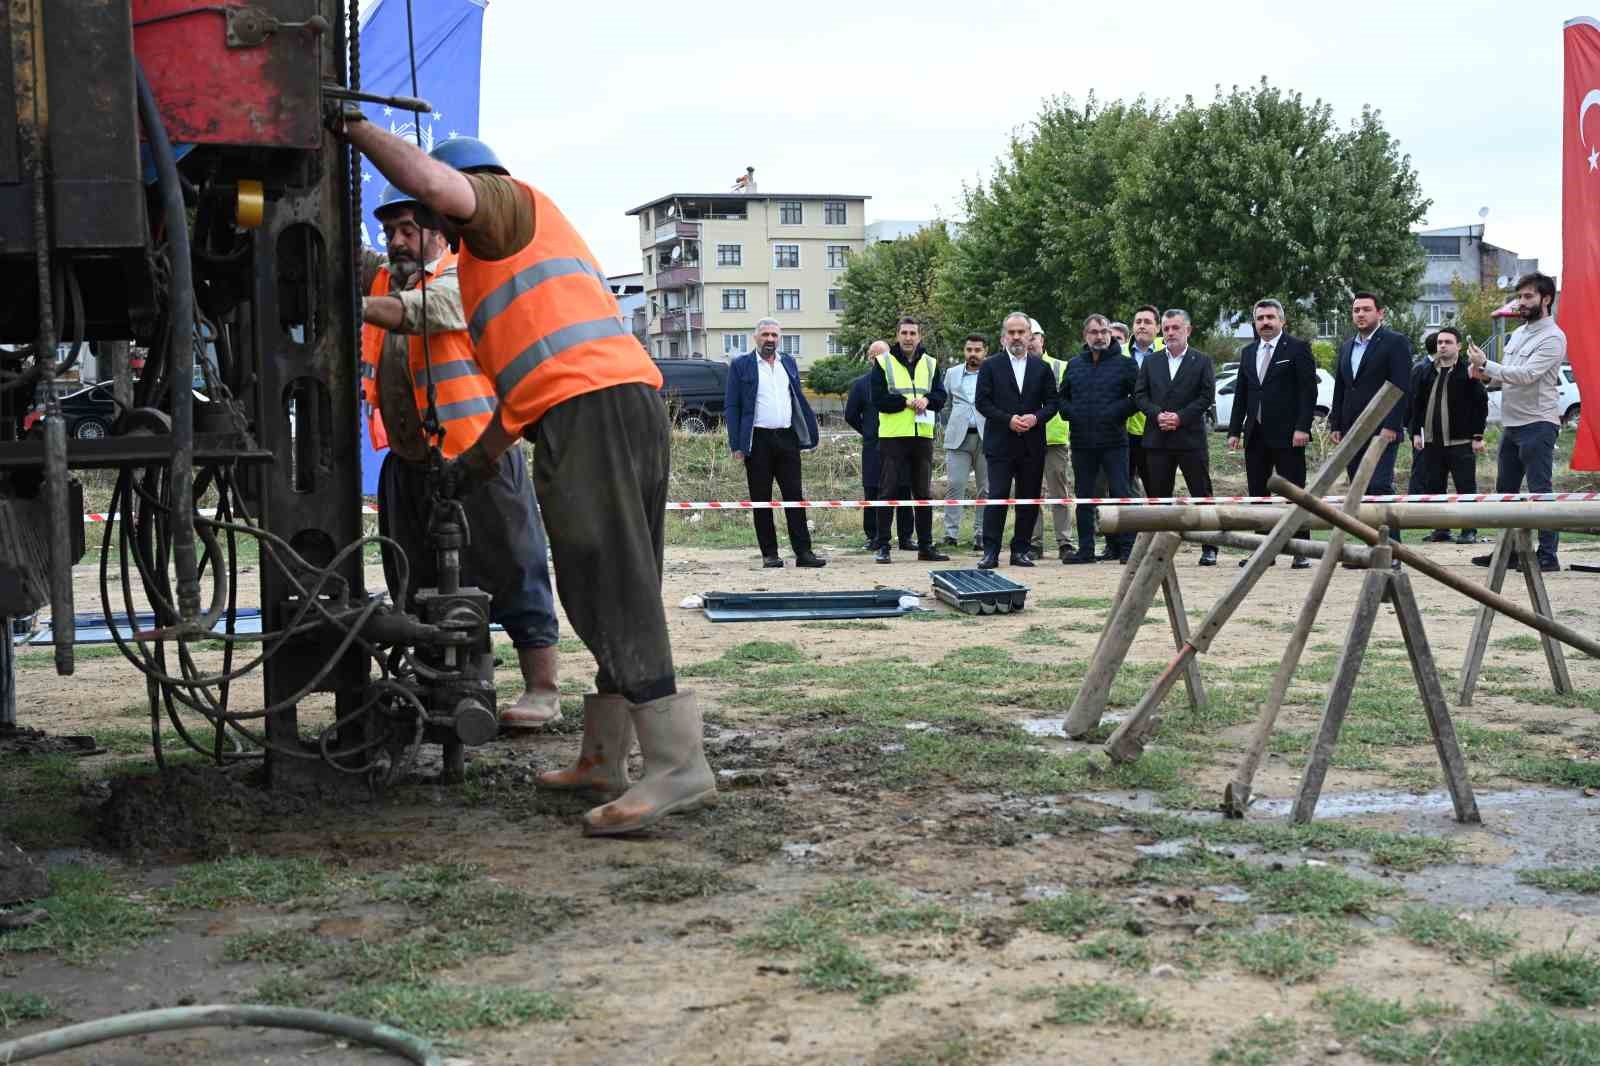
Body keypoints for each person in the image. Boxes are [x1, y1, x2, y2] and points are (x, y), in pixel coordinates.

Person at [331, 118, 715, 836]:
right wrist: (471, 464)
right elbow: (517, 388)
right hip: (592, 407)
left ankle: (677, 763)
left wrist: (349, 124)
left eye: (433, 212)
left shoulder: (506, 208)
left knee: (611, 581)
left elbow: (429, 180)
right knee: (601, 582)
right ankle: (605, 756)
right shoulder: (489, 268)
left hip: (592, 408)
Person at [359, 184, 562, 727]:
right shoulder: (385, 277)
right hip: (410, 462)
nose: (397, 241)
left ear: (438, 233)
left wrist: (348, 304)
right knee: (416, 581)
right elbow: (348, 258)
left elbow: (419, 313)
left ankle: (543, 688)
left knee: (516, 570)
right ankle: (440, 683)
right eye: (390, 232)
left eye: (409, 230)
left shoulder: (459, 279)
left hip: (480, 459)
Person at [1469, 272, 1567, 572]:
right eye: (1520, 297)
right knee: (1506, 492)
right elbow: (1508, 374)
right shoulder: (1519, 334)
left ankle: (1548, 555)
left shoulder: (1553, 337)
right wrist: (1483, 373)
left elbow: (1526, 375)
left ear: (1546, 299)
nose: (1521, 303)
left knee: (1540, 490)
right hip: (1512, 424)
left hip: (1538, 423)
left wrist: (1487, 364)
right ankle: (1507, 552)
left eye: (1528, 297)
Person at [725, 318, 825, 568]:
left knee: (794, 496)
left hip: (787, 438)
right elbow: (732, 405)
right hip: (757, 440)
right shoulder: (741, 366)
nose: (770, 339)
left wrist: (808, 434)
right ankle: (770, 554)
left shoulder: (788, 363)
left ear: (779, 339)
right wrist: (737, 444)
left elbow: (798, 401)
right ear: (755, 338)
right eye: (765, 335)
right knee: (761, 499)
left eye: (774, 335)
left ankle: (804, 553)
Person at [1227, 298, 1318, 569]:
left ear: (1282, 321)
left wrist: (1303, 427)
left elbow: (1308, 391)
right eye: (1260, 318)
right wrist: (1234, 430)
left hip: (1289, 435)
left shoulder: (1298, 349)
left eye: (1270, 317)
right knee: (1258, 494)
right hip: (1255, 435)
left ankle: (1302, 550)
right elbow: (1241, 395)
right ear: (1254, 323)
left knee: (1295, 493)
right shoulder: (1248, 352)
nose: (1265, 322)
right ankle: (1263, 550)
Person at [975, 312, 1058, 569]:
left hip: (1032, 444)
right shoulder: (990, 365)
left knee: (1028, 498)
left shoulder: (1041, 367)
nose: (1017, 337)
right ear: (1003, 337)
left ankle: (1021, 550)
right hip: (1000, 443)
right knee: (997, 496)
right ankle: (990, 551)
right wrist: (1008, 419)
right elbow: (982, 402)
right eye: (1011, 333)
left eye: (1021, 332)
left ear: (1030, 335)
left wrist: (1035, 418)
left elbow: (1053, 403)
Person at [1137, 309, 1219, 565]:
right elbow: (1140, 395)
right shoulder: (1151, 362)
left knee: (1201, 491)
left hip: (1190, 439)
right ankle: (1159, 548)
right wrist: (1157, 415)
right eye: (1167, 328)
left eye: (1176, 327)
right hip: (1158, 439)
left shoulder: (1202, 361)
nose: (1170, 332)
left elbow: (1206, 397)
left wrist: (1181, 417)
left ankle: (1210, 546)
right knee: (1159, 496)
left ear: (1188, 330)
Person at [1330, 291, 1412, 548]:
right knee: (1359, 491)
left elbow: (1401, 386)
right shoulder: (1346, 346)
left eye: (1366, 309)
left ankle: (1392, 549)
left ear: (1380, 313)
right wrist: (1336, 425)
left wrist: (1392, 425)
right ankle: (1371, 548)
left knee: (1378, 487)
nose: (1360, 314)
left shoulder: (1395, 342)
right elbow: (1342, 388)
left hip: (1382, 430)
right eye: (1356, 310)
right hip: (1352, 430)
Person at [869, 317, 949, 563]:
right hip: (893, 436)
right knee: (888, 491)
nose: (908, 337)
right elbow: (879, 399)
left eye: (912, 333)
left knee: (923, 492)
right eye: (904, 332)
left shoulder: (931, 363)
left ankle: (926, 546)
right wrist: (905, 402)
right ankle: (883, 546)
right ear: (897, 335)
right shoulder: (884, 363)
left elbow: (940, 396)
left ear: (919, 336)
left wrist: (926, 400)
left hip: (922, 436)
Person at [1059, 314, 1137, 564]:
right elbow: (1062, 399)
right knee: (1084, 496)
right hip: (1082, 442)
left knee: (1120, 493)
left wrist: (1115, 412)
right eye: (1094, 332)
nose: (1100, 336)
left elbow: (1138, 398)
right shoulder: (1074, 365)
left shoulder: (1126, 364)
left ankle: (1127, 549)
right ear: (1085, 336)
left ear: (1110, 334)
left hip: (1114, 441)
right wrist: (1074, 414)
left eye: (1104, 331)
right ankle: (1086, 550)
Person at [1409, 327, 1488, 545]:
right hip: (1432, 441)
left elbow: (1480, 404)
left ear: (1459, 346)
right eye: (1440, 342)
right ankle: (1441, 529)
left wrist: (1477, 436)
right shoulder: (1426, 371)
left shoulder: (1468, 371)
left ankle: (1469, 530)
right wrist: (1416, 432)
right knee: (1435, 486)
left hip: (1460, 442)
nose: (1442, 345)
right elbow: (1417, 404)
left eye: (1448, 342)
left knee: (1466, 487)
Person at [845, 343, 914, 551]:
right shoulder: (860, 384)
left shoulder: (901, 381)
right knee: (873, 491)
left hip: (901, 444)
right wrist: (868, 432)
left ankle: (906, 538)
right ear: (869, 359)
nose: (878, 359)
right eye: (874, 356)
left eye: (882, 355)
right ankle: (873, 536)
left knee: (903, 490)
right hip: (874, 447)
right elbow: (850, 415)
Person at [1034, 320, 1078, 562]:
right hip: (1026, 440)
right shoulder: (1018, 367)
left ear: (1043, 340)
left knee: (1058, 492)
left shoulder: (1061, 367)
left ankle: (1065, 542)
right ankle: (1034, 543)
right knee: (1030, 493)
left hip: (1055, 440)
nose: (1030, 341)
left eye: (1035, 337)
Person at [941, 334, 989, 549]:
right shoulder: (951, 374)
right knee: (955, 485)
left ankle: (982, 533)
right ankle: (951, 534)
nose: (973, 354)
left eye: (977, 350)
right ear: (964, 351)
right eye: (969, 349)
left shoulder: (993, 372)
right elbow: (945, 404)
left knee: (986, 489)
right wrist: (948, 426)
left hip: (986, 437)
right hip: (958, 437)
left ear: (985, 351)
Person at [1124, 305, 1163, 496]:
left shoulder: (1168, 351)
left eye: (1147, 322)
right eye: (1138, 322)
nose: (1142, 326)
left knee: (1157, 490)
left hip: (1157, 432)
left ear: (1158, 328)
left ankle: (1159, 526)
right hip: (1124, 433)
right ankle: (1128, 527)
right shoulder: (1118, 352)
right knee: (1123, 490)